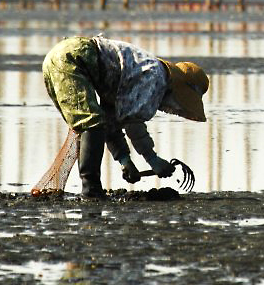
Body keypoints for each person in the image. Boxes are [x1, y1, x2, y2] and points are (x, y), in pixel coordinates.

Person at [42, 35, 209, 198]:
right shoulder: (155, 76)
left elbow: (111, 124)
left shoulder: (136, 75)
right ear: (181, 88)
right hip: (74, 57)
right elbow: (133, 122)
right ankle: (91, 190)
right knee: (90, 123)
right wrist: (152, 159)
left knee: (94, 123)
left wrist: (124, 160)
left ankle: (91, 188)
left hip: (61, 55)